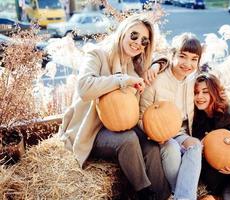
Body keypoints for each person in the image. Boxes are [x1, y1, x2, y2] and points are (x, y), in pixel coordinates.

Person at [59, 14, 170, 200]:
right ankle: (144, 193)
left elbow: (166, 58)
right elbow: (84, 87)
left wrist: (156, 66)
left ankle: (163, 196)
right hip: (93, 131)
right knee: (128, 139)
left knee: (151, 145)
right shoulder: (97, 55)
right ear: (123, 31)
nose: (137, 43)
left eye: (144, 41)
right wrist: (122, 81)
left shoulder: (135, 65)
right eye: (134, 35)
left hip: (121, 124)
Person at [139, 32, 203, 200]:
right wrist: (152, 133)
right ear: (172, 55)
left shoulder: (192, 81)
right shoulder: (156, 79)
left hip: (180, 132)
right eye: (183, 56)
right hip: (158, 134)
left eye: (194, 59)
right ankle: (183, 195)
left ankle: (180, 197)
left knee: (195, 145)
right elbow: (140, 115)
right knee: (172, 148)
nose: (188, 64)